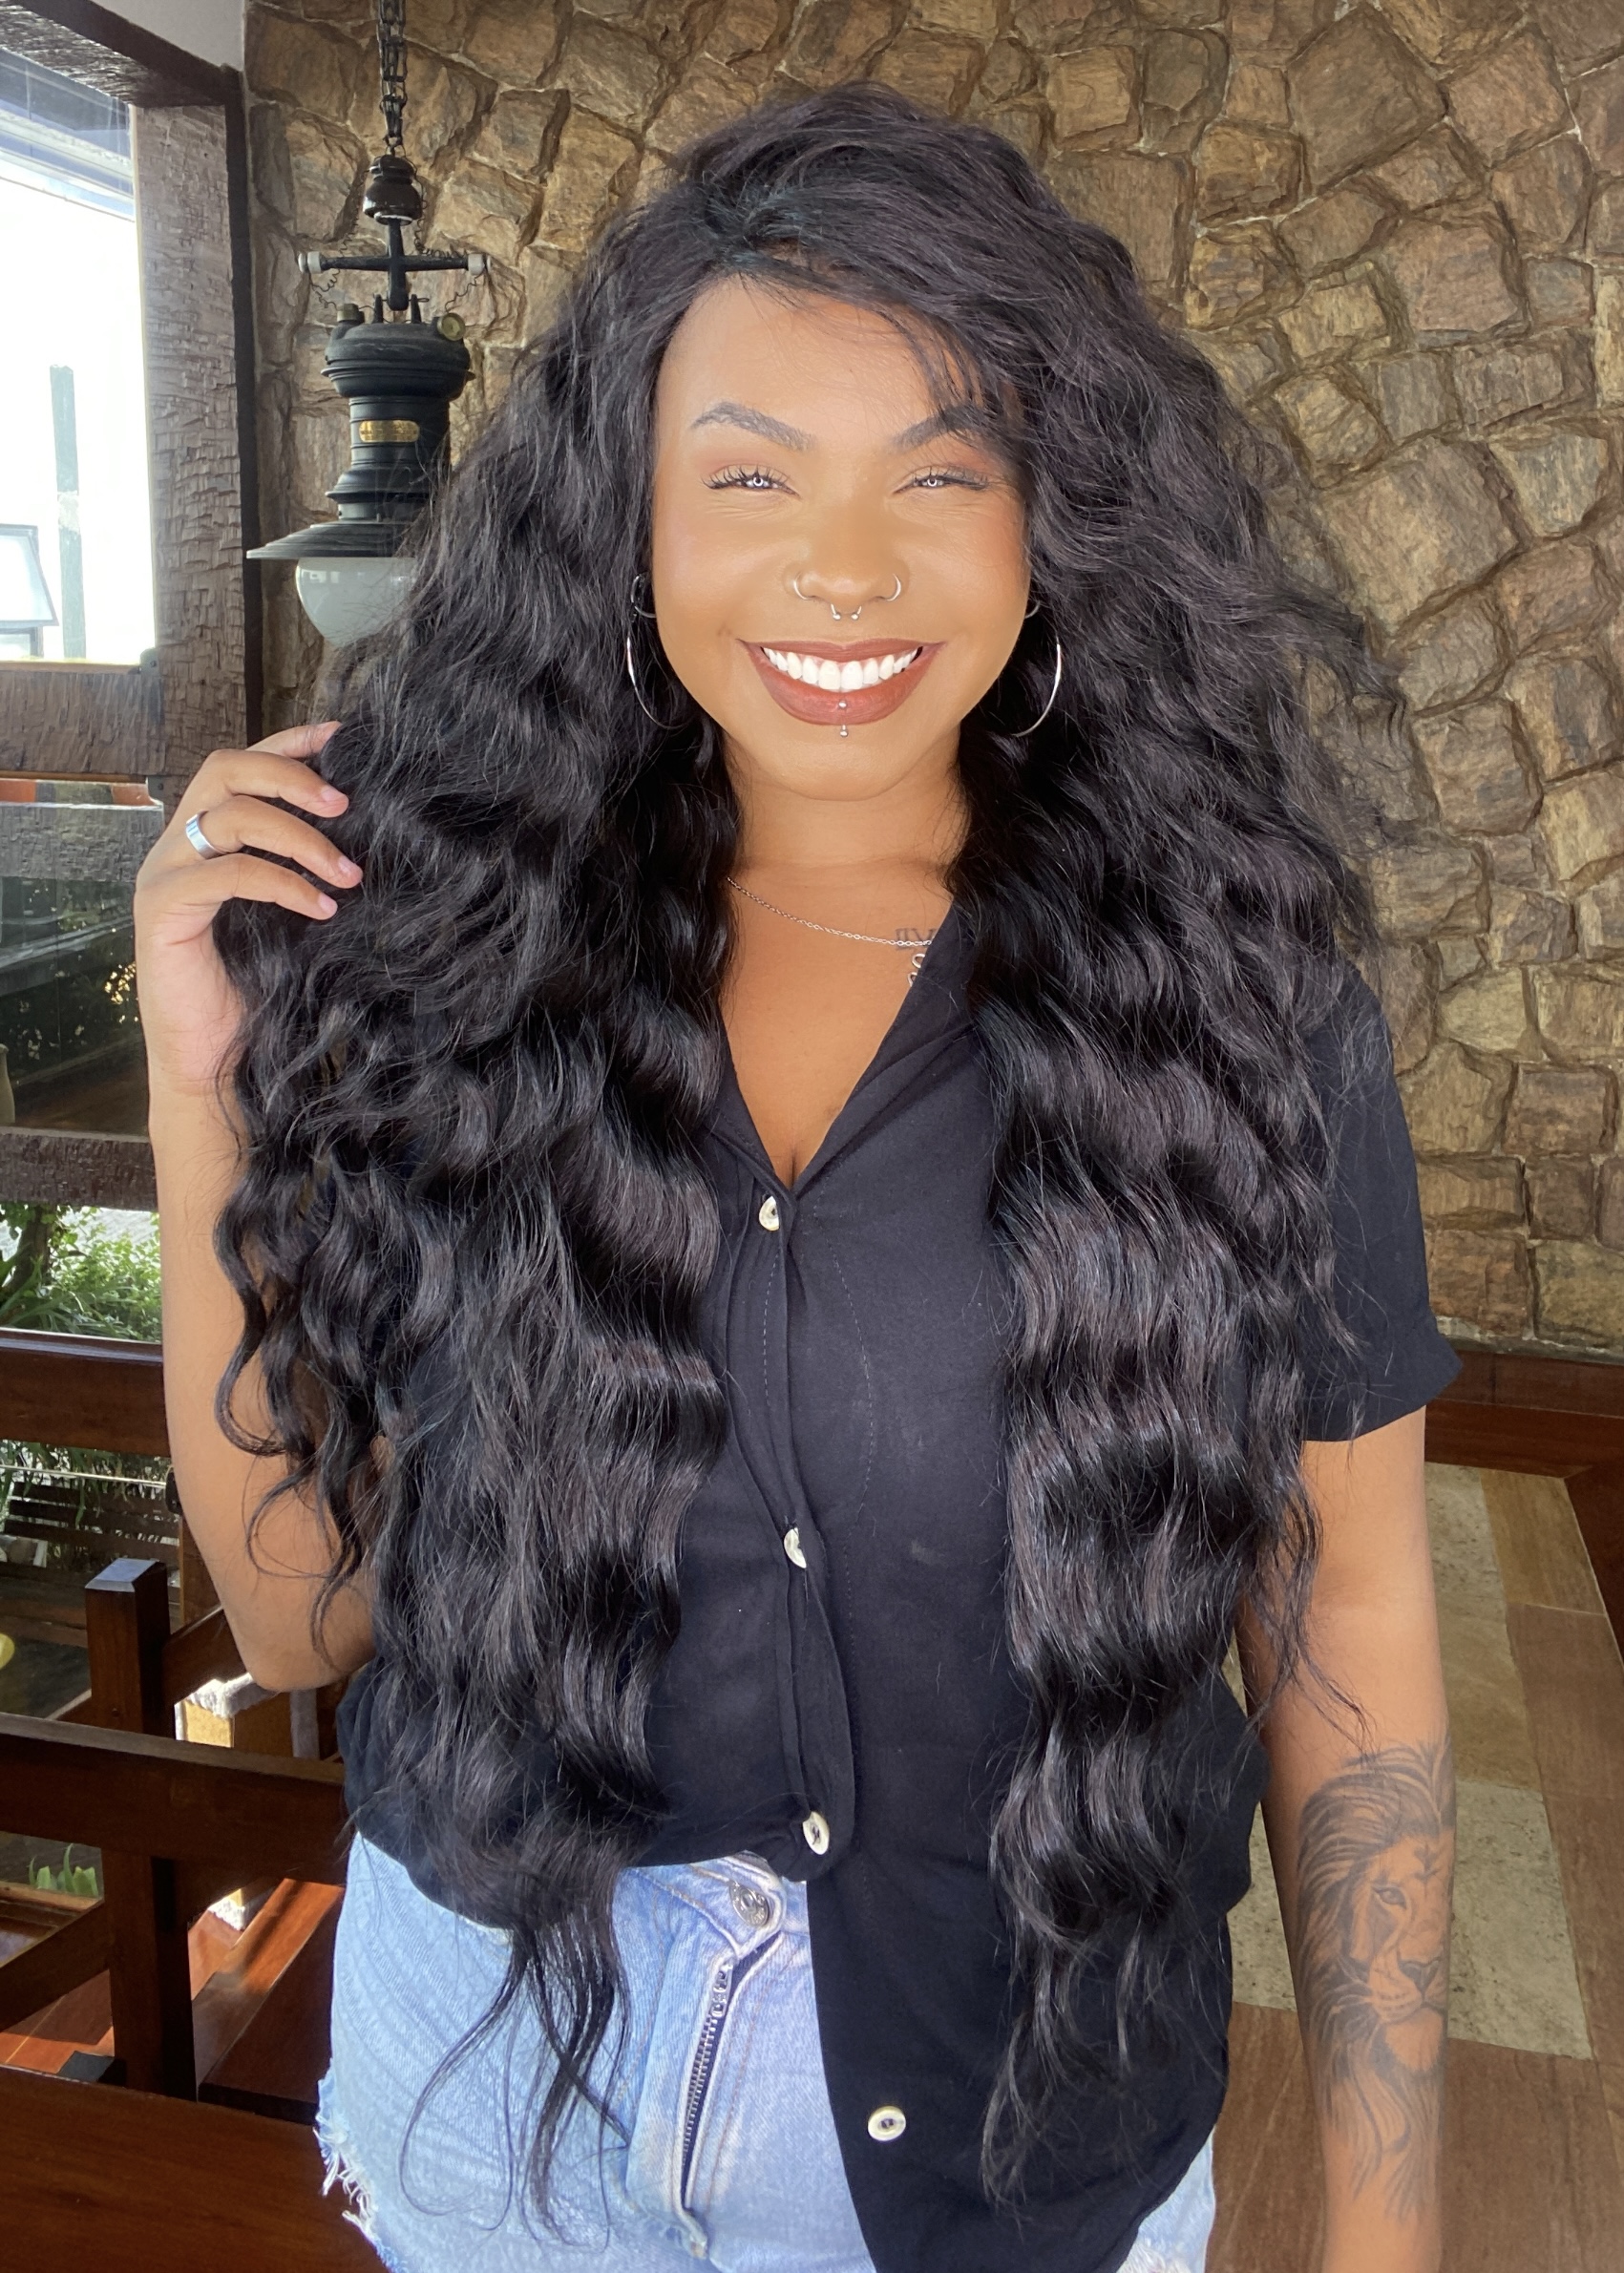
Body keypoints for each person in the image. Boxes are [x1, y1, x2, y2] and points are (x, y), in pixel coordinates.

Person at [135, 84, 1460, 2273]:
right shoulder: (453, 947)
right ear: (630, 517)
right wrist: (207, 1084)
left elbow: (1356, 1624)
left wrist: (1387, 2231)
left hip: (999, 2116)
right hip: (493, 2087)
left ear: (1049, 515)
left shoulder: (1237, 999)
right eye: (747, 476)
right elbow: (299, 1615)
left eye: (937, 473)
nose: (842, 568)